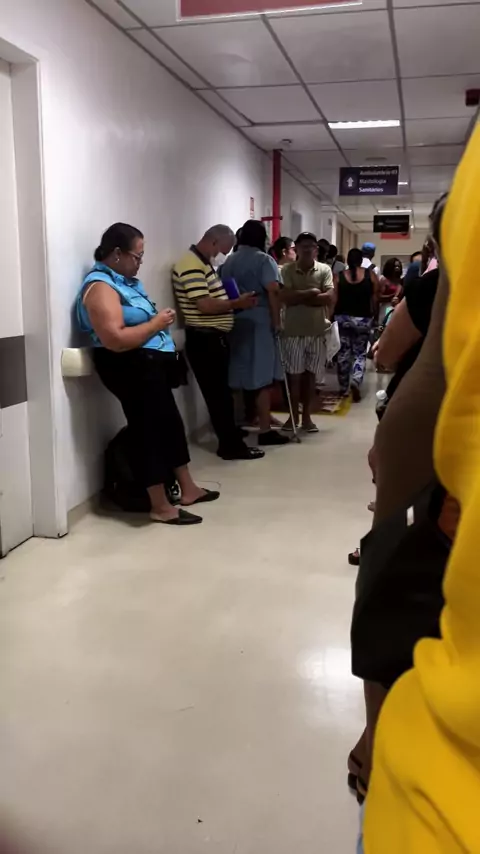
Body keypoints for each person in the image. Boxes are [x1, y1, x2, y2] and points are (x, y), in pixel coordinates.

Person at [362, 132, 480, 853]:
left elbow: (400, 361)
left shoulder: (437, 282)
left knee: (392, 599)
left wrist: (385, 528)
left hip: (447, 789)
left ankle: (375, 737)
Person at [348, 195, 448, 807]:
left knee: (395, 581)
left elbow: (387, 354)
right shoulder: (439, 286)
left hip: (422, 430)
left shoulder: (437, 287)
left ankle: (379, 743)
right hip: (424, 433)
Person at [77, 223, 219, 526]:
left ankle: (188, 489)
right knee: (147, 429)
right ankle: (159, 505)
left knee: (169, 423)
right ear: (117, 253)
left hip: (147, 363)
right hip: (125, 364)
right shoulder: (100, 287)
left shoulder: (127, 283)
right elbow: (115, 339)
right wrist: (156, 324)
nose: (140, 262)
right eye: (137, 256)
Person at [172, 226, 264, 461]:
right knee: (218, 396)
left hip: (213, 337)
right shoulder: (191, 264)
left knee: (222, 393)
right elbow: (204, 305)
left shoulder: (202, 264)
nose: (220, 256)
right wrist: (236, 304)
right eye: (221, 250)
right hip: (204, 339)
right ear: (213, 241)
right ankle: (230, 447)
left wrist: (236, 302)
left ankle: (230, 434)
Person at [221, 220, 289, 446]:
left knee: (238, 372)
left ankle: (237, 423)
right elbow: (273, 292)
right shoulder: (264, 260)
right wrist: (277, 322)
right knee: (262, 376)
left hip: (236, 319)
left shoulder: (229, 261)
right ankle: (265, 429)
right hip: (259, 321)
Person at [281, 232, 334, 432]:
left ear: (316, 249)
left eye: (311, 246)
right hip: (293, 332)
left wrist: (299, 297)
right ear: (296, 248)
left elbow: (328, 297)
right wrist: (312, 293)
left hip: (317, 332)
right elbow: (285, 297)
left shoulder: (324, 270)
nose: (307, 249)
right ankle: (293, 416)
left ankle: (307, 418)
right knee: (294, 378)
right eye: (303, 246)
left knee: (311, 378)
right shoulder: (287, 270)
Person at [334, 247, 379, 401]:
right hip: (363, 320)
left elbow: (334, 299)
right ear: (361, 260)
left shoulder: (339, 276)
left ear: (347, 260)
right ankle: (356, 380)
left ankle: (343, 388)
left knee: (343, 353)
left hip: (343, 320)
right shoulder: (370, 275)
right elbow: (375, 298)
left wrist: (330, 318)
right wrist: (375, 316)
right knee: (360, 353)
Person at [378, 257, 403, 324]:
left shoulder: (400, 281)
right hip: (386, 307)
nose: (397, 268)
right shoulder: (384, 279)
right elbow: (379, 297)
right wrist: (391, 297)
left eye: (398, 266)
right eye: (395, 266)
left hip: (397, 307)